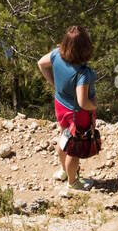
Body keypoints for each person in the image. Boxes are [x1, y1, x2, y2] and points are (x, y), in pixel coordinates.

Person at [38, 25, 98, 192]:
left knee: (65, 137)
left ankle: (64, 171)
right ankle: (73, 182)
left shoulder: (57, 54)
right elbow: (82, 101)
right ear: (85, 47)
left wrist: (55, 84)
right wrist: (94, 105)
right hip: (77, 114)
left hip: (60, 105)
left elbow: (41, 64)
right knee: (75, 148)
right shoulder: (83, 73)